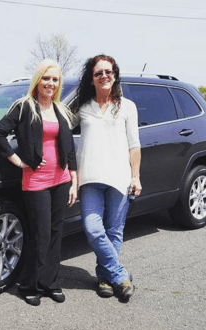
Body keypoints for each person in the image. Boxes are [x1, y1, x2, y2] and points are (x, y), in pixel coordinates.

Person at [0, 59, 78, 306]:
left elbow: (69, 147)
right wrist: (19, 161)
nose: (50, 83)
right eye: (46, 78)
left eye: (55, 79)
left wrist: (74, 177)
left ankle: (50, 283)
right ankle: (28, 285)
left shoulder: (61, 109)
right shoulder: (23, 106)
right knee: (40, 234)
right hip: (36, 181)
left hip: (60, 179)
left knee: (56, 233)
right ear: (38, 80)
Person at [73, 54, 141, 301]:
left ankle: (104, 277)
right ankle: (120, 275)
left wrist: (136, 177)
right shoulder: (82, 107)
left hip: (119, 178)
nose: (104, 76)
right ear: (91, 79)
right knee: (92, 228)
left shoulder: (127, 106)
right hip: (89, 178)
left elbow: (134, 145)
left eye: (108, 72)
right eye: (98, 73)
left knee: (114, 231)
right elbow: (59, 127)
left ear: (115, 75)